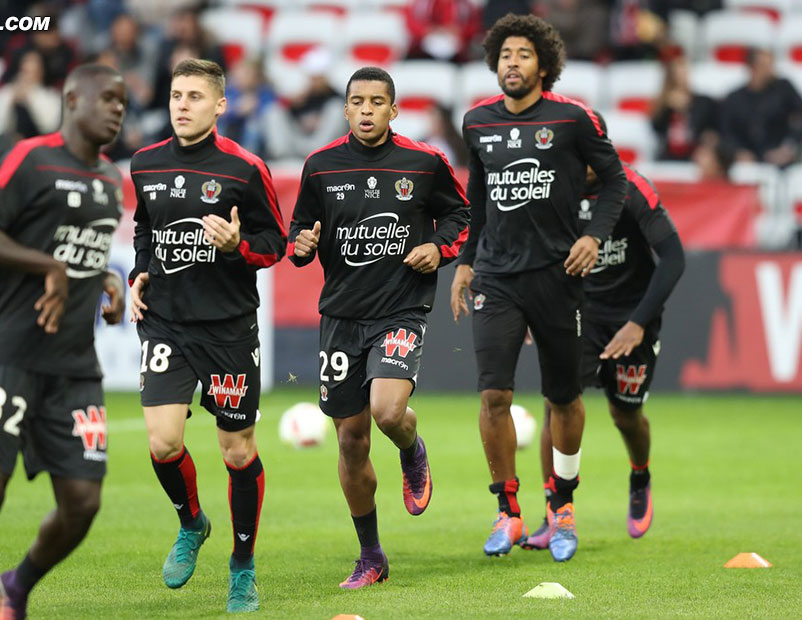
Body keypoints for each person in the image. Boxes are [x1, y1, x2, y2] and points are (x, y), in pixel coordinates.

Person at [0, 64, 128, 620]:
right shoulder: (31, 157)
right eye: (108, 99)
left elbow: (83, 250)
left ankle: (17, 584)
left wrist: (108, 280)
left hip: (74, 366)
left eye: (123, 102)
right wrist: (44, 264)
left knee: (83, 502)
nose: (118, 109)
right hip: (10, 354)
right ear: (73, 99)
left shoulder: (111, 180)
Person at [450, 14, 626, 563]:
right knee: (494, 395)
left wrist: (595, 237)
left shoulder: (575, 119)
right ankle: (507, 510)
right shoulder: (477, 123)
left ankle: (563, 504)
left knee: (563, 398)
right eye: (505, 54)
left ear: (544, 65)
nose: (512, 63)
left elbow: (616, 179)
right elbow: (477, 202)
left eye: (523, 54)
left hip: (559, 276)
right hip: (497, 278)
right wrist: (464, 261)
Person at [289, 66, 469, 588]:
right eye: (357, 102)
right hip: (342, 316)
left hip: (400, 310)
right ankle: (371, 556)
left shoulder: (424, 163)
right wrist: (300, 245)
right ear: (345, 110)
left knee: (388, 411)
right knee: (350, 443)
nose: (366, 110)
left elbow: (463, 217)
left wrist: (439, 248)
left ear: (394, 110)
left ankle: (411, 449)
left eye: (377, 102)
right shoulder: (320, 168)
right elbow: (301, 230)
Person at [128, 59, 285, 614]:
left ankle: (242, 566)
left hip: (228, 330)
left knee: (237, 450)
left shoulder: (244, 168)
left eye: (195, 96)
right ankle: (191, 523)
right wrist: (138, 272)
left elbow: (276, 242)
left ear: (220, 105)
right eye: (176, 94)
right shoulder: (144, 163)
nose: (182, 104)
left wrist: (239, 245)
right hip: (166, 322)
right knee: (162, 442)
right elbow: (145, 228)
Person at [523, 111, 685, 550]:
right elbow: (539, 254)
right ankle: (554, 514)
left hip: (633, 315)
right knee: (557, 406)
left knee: (625, 415)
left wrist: (637, 324)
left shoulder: (631, 188)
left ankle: (639, 475)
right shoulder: (555, 191)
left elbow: (673, 257)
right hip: (580, 313)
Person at [720, 47, 802, 168]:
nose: (770, 70)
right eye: (765, 65)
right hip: (746, 163)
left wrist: (788, 148)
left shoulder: (784, 89)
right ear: (752, 67)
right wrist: (738, 151)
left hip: (781, 161)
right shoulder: (734, 98)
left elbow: (799, 116)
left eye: (771, 64)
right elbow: (725, 131)